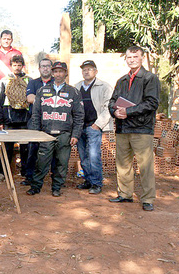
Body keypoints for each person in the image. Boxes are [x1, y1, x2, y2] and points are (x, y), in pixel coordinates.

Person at [108, 46, 160, 211]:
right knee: (123, 164)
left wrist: (128, 111)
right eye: (129, 57)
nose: (132, 59)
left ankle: (148, 199)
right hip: (123, 128)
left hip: (142, 129)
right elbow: (111, 101)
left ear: (142, 58)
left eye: (135, 57)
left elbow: (152, 103)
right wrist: (115, 112)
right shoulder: (122, 80)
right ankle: (125, 194)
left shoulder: (150, 78)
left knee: (145, 166)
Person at [27, 62, 84, 197]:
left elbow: (79, 115)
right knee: (41, 162)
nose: (58, 74)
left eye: (61, 71)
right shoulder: (42, 91)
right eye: (56, 71)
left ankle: (57, 187)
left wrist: (75, 134)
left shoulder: (73, 92)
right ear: (53, 73)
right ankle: (35, 186)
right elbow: (35, 114)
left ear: (66, 73)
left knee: (61, 163)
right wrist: (37, 133)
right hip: (46, 134)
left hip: (65, 134)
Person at [74, 60, 113, 194]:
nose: (86, 72)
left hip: (93, 126)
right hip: (79, 127)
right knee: (83, 156)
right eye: (84, 69)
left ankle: (96, 183)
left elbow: (109, 107)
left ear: (95, 71)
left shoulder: (104, 87)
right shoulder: (77, 87)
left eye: (90, 69)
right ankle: (88, 180)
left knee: (93, 155)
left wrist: (98, 124)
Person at [0, 54, 31, 181]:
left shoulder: (29, 80)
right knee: (6, 148)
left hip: (24, 119)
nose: (17, 67)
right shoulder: (5, 81)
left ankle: (25, 172)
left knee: (25, 148)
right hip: (8, 118)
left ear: (23, 66)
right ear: (11, 66)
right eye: (14, 65)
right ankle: (2, 172)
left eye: (19, 65)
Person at [24, 58, 54, 185]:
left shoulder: (56, 83)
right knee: (32, 148)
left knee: (53, 147)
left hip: (53, 119)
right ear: (39, 69)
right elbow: (30, 98)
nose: (45, 68)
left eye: (48, 66)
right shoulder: (33, 82)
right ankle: (29, 176)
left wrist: (40, 99)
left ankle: (55, 177)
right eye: (43, 66)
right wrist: (49, 100)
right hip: (35, 120)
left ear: (51, 68)